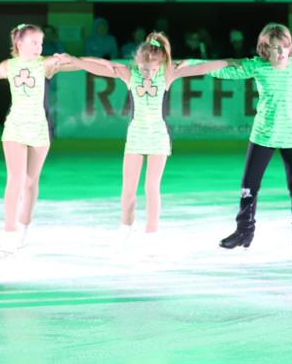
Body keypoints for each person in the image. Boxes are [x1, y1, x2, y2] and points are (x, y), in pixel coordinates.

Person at [67, 33, 232, 254]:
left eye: (153, 69)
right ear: (138, 62)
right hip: (136, 136)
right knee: (128, 187)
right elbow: (103, 67)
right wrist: (76, 61)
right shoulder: (130, 74)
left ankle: (152, 233)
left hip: (158, 137)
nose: (149, 73)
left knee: (151, 187)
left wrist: (228, 62)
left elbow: (200, 68)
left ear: (161, 63)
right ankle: (126, 227)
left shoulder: (167, 74)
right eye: (145, 68)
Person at [211, 23, 292, 257]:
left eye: (284, 48)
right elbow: (226, 71)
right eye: (275, 48)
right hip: (263, 135)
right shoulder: (258, 67)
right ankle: (244, 231)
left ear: (290, 48)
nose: (280, 53)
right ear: (265, 50)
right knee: (249, 186)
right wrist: (192, 67)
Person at [0, 24, 74, 254]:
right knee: (15, 179)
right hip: (15, 128)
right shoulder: (9, 66)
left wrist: (74, 61)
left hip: (39, 129)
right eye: (34, 42)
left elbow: (72, 65)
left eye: (41, 43)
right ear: (19, 44)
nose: (39, 47)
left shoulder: (45, 64)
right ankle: (9, 231)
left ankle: (24, 226)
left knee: (31, 181)